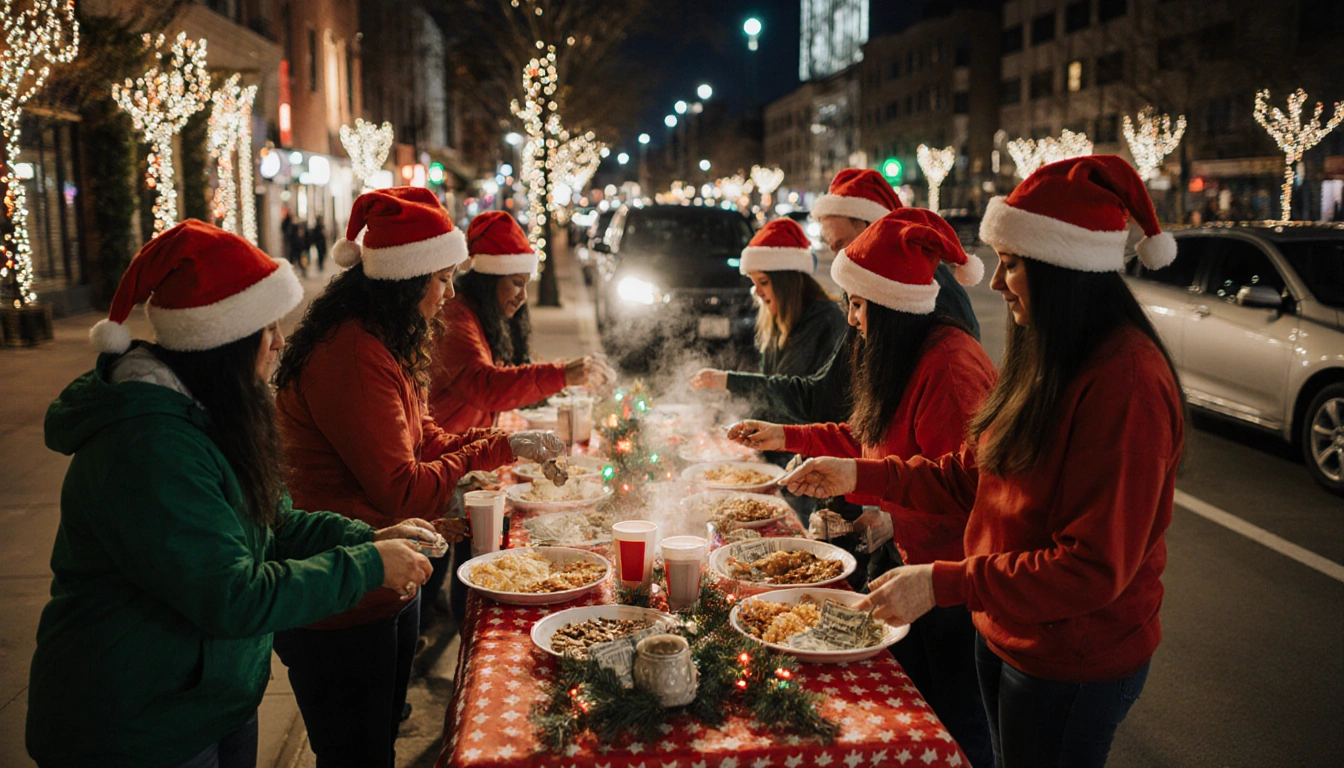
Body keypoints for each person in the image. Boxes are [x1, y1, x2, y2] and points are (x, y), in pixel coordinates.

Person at [779, 156, 1186, 768]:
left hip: (1071, 656)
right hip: (1005, 630)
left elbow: (1093, 567)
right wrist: (861, 474)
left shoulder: (1124, 380)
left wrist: (944, 580)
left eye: (1013, 265)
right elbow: (973, 473)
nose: (996, 284)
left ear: (1065, 269)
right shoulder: (1049, 353)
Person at [27, 221, 437, 768]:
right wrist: (366, 566)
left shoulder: (218, 412)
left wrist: (371, 537)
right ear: (218, 345)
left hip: (213, 698)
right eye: (264, 329)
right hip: (138, 722)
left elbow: (280, 524)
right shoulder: (149, 446)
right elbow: (232, 595)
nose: (280, 343)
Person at [272, 188, 563, 768]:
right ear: (406, 279)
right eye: (443, 278)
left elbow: (425, 436)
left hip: (385, 578)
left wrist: (503, 443)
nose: (452, 292)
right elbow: (401, 486)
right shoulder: (352, 353)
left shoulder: (385, 338)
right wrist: (486, 452)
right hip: (343, 595)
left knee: (378, 735)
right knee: (357, 751)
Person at [726, 208, 995, 767]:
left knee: (959, 722)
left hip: (952, 579)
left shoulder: (949, 365)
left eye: (857, 303)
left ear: (891, 305)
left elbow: (970, 483)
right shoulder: (904, 354)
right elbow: (867, 435)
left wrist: (860, 477)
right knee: (912, 706)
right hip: (910, 559)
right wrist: (787, 433)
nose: (850, 319)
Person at [691, 168, 979, 425]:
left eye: (842, 245)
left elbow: (829, 401)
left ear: (874, 230)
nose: (841, 259)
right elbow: (828, 393)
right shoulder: (875, 292)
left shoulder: (920, 292)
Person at [428, 210, 613, 433]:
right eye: (517, 283)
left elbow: (506, 378)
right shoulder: (455, 318)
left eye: (526, 284)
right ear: (490, 279)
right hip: (444, 452)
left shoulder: (481, 314)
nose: (523, 296)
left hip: (465, 446)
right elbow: (486, 386)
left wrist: (560, 374)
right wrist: (562, 374)